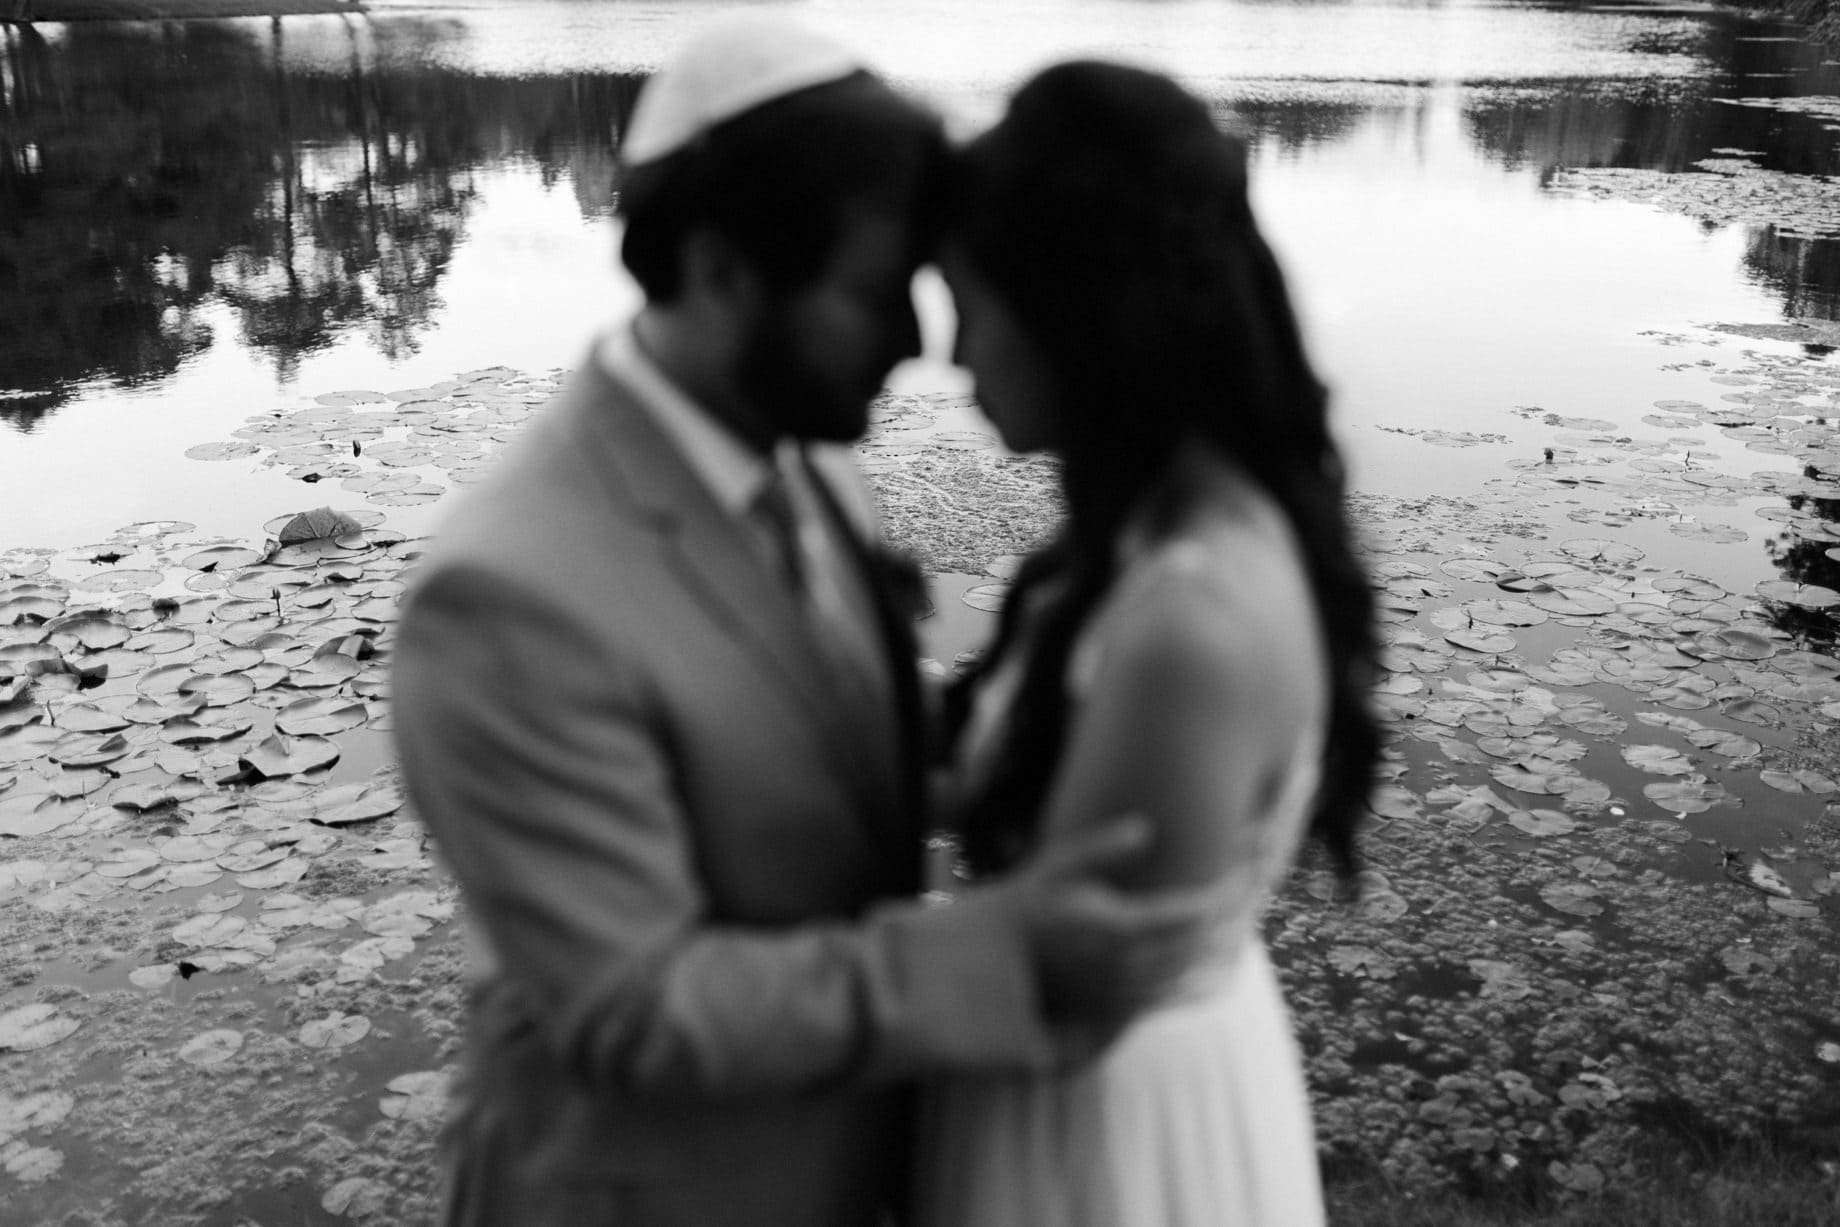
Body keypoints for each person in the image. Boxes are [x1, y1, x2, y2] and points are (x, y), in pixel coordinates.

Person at [390, 20, 1210, 1227]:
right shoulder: (506, 596)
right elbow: (637, 1008)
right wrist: (1001, 956)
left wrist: (1046, 730)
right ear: (725, 272)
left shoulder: (804, 459)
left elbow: (829, 739)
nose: (912, 344)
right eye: (874, 294)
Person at [915, 61, 1382, 1226]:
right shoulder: (1148, 526)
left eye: (973, 305)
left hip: (1109, 1127)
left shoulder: (1191, 623)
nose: (954, 353)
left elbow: (1066, 987)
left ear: (1080, 314)